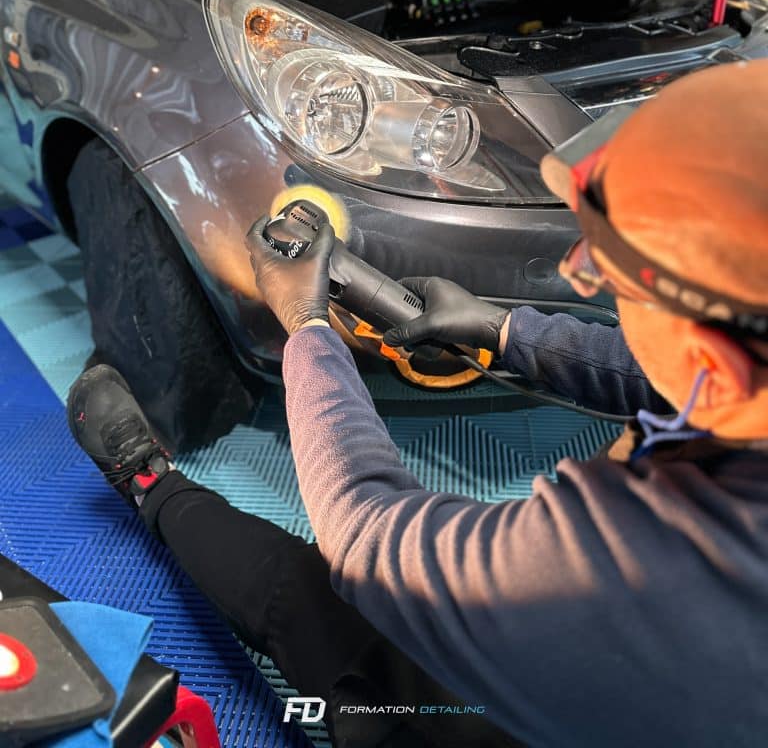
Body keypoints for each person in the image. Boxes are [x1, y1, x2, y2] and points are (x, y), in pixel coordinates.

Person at [67, 60, 768, 747]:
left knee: (342, 614)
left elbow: (366, 528)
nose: (589, 285)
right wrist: (504, 329)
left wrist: (307, 326)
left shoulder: (646, 565)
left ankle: (148, 485)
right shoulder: (744, 383)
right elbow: (661, 369)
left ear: (717, 359)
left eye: (606, 273)